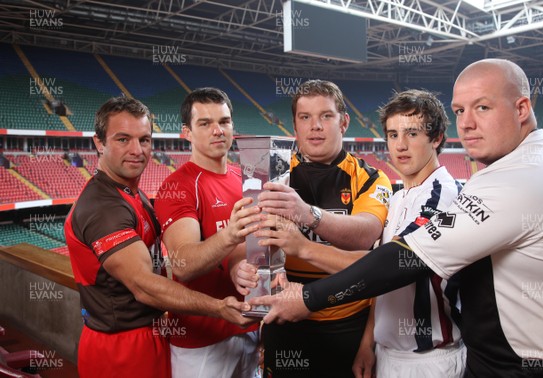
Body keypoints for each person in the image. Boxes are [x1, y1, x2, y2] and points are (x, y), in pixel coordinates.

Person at [250, 59, 543, 377]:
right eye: (460, 110)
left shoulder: (492, 183)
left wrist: (307, 294)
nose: (468, 123)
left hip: (460, 359)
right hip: (429, 353)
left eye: (482, 107)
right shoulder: (409, 194)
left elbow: (401, 263)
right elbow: (381, 276)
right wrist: (370, 341)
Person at [251, 89, 465, 377]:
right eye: (392, 135)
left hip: (427, 357)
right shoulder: (402, 197)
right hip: (385, 349)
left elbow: (387, 268)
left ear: (436, 138)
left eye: (412, 134)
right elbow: (382, 281)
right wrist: (370, 342)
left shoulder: (440, 196)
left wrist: (304, 251)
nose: (400, 146)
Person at [64, 96, 257, 378]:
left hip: (149, 333)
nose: (137, 150)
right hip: (119, 344)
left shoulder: (130, 193)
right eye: (122, 139)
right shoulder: (103, 207)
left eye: (144, 139)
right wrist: (218, 307)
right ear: (99, 143)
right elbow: (145, 286)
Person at [238, 79, 393, 377]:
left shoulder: (372, 177)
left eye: (326, 116)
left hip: (347, 324)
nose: (315, 126)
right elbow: (250, 245)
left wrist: (309, 215)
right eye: (305, 117)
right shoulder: (274, 174)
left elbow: (366, 233)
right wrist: (240, 269)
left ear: (344, 122)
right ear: (294, 127)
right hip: (286, 323)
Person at [153, 88, 261, 378]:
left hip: (249, 325)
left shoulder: (246, 178)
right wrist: (230, 235)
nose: (218, 131)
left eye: (224, 122)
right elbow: (182, 265)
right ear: (186, 132)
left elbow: (253, 248)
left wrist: (241, 267)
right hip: (200, 341)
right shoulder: (178, 187)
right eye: (205, 123)